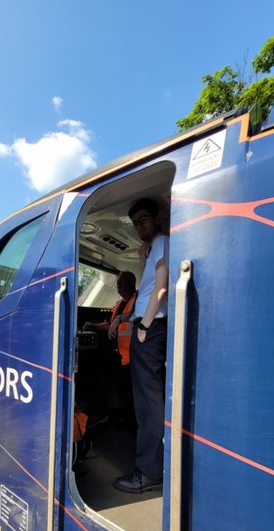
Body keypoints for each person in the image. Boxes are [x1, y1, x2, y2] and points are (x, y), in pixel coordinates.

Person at [113, 198, 169, 493]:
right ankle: (150, 466)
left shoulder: (162, 240)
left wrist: (144, 325)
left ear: (157, 219)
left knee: (148, 405)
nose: (139, 226)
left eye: (144, 219)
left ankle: (148, 472)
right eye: (135, 223)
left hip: (151, 327)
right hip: (148, 327)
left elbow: (161, 286)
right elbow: (150, 283)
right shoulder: (153, 247)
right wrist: (142, 258)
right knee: (146, 403)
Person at [83, 271, 137, 428]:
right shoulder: (119, 303)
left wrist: (119, 319)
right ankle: (101, 414)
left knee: (129, 391)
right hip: (116, 352)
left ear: (128, 285)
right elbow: (110, 324)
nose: (118, 287)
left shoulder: (138, 300)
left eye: (120, 284)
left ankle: (130, 422)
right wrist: (93, 325)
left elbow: (131, 317)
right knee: (102, 379)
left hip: (130, 354)